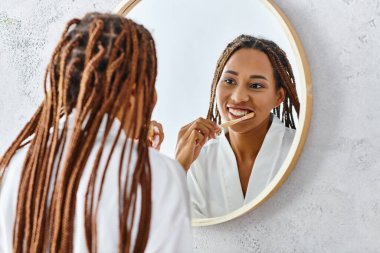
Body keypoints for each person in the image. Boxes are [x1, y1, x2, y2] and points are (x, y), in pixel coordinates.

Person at [0, 13, 192, 252]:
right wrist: (158, 167)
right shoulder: (157, 175)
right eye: (150, 85)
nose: (154, 98)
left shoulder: (18, 164)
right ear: (132, 92)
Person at [175, 35, 300, 218]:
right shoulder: (198, 161)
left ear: (278, 97)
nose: (238, 97)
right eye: (229, 81)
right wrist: (177, 169)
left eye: (256, 85)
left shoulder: (299, 151)